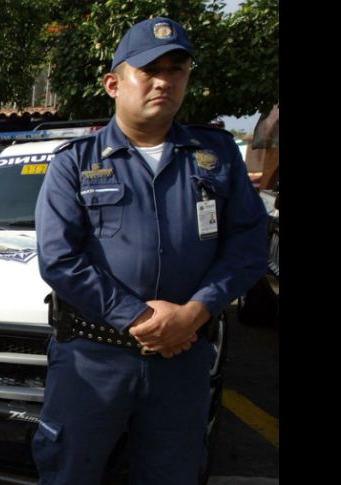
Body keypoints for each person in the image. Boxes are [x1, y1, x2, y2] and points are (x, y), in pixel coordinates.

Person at [33, 17, 267, 484]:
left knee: (173, 475)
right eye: (149, 69)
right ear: (114, 83)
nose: (164, 80)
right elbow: (59, 258)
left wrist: (196, 312)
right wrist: (140, 318)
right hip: (93, 360)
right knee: (69, 474)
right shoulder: (74, 164)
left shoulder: (217, 157)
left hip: (181, 360)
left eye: (176, 69)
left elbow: (249, 244)